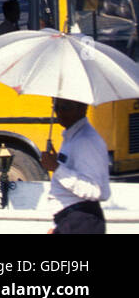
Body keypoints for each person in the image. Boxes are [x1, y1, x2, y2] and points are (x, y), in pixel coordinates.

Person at [42, 97, 109, 234]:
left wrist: (56, 168)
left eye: (66, 107)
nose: (60, 113)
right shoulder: (73, 137)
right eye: (56, 107)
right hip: (70, 221)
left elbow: (95, 190)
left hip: (80, 221)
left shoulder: (86, 141)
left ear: (83, 108)